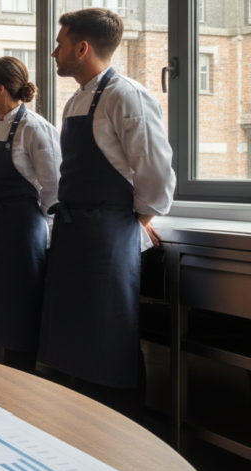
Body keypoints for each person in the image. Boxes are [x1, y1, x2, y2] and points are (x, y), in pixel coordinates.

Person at [40, 8, 175, 392]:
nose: (54, 53)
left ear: (82, 48)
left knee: (106, 338)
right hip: (72, 235)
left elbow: (155, 168)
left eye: (59, 44)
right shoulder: (73, 103)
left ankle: (118, 435)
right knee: (73, 341)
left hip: (106, 237)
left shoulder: (126, 95)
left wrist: (143, 216)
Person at [0, 57, 61, 373]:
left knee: (17, 315)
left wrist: (41, 231)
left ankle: (18, 386)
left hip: (22, 234)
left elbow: (54, 189)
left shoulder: (35, 128)